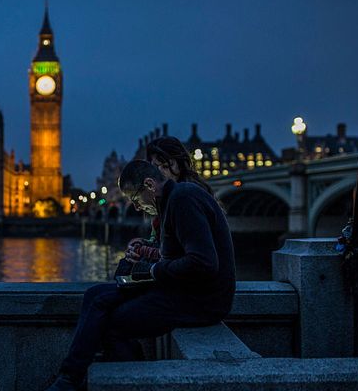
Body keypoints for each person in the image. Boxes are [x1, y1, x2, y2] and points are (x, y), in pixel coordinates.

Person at [45, 159, 236, 391]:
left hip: (202, 300)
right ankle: (70, 377)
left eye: (135, 199)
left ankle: (89, 380)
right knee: (95, 295)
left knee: (112, 322)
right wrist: (144, 265)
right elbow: (176, 256)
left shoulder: (184, 199)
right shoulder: (172, 201)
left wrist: (155, 270)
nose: (136, 207)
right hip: (182, 287)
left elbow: (203, 262)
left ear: (149, 185)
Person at [126, 136, 214, 263]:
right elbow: (161, 244)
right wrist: (139, 245)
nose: (161, 173)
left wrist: (143, 252)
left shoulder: (186, 198)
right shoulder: (164, 202)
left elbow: (182, 254)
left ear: (180, 164)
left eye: (166, 166)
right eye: (155, 167)